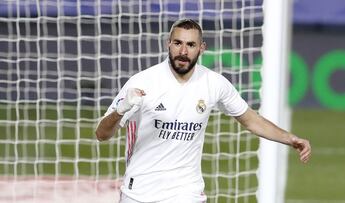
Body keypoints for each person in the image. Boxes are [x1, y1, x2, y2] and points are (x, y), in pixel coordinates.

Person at [95, 19, 311, 203]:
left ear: (202, 48)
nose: (183, 51)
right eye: (177, 43)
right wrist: (120, 110)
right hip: (139, 191)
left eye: (190, 45)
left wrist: (290, 138)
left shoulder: (214, 83)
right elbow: (101, 134)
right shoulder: (143, 82)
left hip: (186, 191)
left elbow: (250, 120)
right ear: (168, 44)